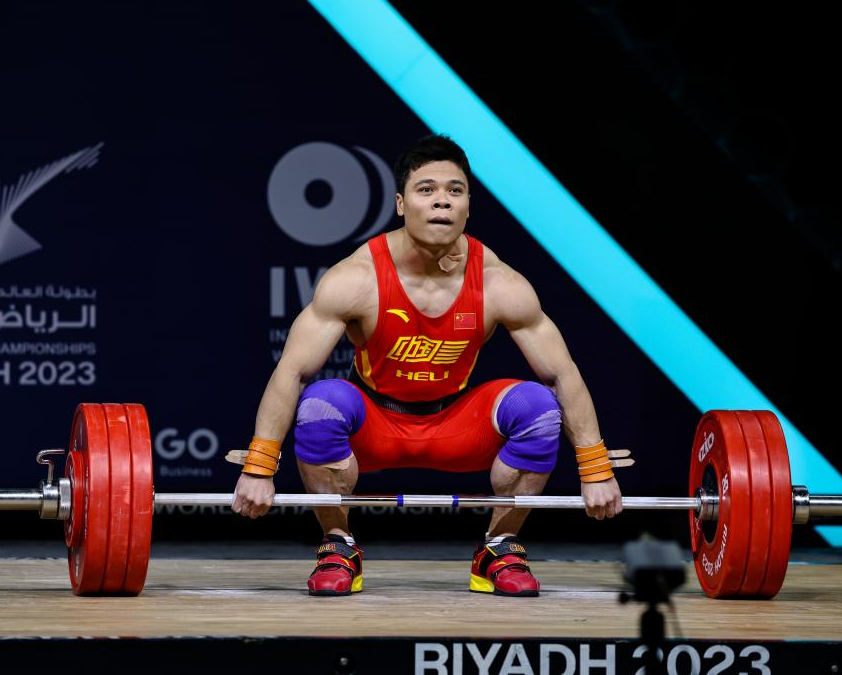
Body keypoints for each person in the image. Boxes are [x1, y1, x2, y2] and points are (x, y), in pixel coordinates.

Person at [233, 135, 622, 597]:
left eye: (455, 191)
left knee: (537, 407)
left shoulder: (499, 283)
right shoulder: (356, 279)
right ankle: (338, 546)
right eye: (426, 189)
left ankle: (499, 548)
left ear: (468, 206)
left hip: (456, 425)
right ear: (401, 204)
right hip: (373, 427)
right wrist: (259, 465)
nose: (442, 200)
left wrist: (595, 468)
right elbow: (292, 372)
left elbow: (562, 374)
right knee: (321, 403)